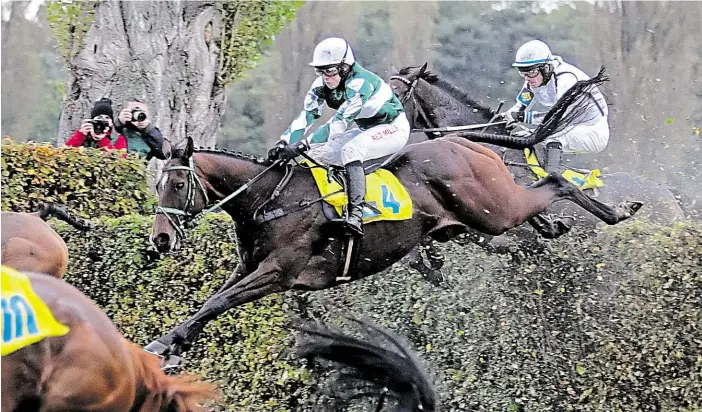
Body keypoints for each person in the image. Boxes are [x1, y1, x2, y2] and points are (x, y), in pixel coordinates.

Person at [267, 37, 411, 236]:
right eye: (320, 71)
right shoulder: (320, 86)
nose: (325, 76)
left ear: (345, 67)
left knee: (350, 150)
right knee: (316, 158)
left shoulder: (361, 84)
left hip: (393, 128)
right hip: (365, 129)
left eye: (330, 70)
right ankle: (327, 208)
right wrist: (284, 142)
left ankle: (356, 214)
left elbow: (338, 123)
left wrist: (301, 145)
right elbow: (307, 116)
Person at [500, 40, 609, 173]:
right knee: (522, 135)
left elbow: (556, 119)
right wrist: (502, 119)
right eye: (523, 73)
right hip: (571, 127)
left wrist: (522, 117)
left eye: (531, 72)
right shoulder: (534, 78)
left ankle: (552, 181)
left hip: (593, 130)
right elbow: (518, 109)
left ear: (546, 68)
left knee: (551, 138)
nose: (527, 78)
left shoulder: (567, 80)